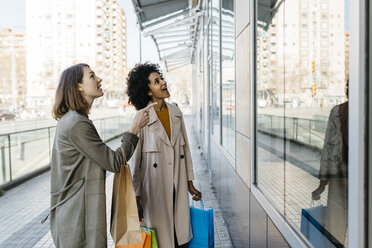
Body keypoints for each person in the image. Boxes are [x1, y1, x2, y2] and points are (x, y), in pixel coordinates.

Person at [42, 63, 156, 247]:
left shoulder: (74, 120)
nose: (99, 79)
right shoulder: (76, 124)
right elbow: (114, 162)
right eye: (92, 76)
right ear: (78, 86)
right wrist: (134, 128)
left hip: (74, 216)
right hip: (77, 221)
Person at [126, 62, 202, 248]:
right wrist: (136, 198)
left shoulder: (176, 113)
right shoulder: (142, 117)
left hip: (178, 183)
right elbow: (136, 163)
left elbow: (186, 151)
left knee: (180, 237)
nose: (163, 83)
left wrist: (190, 183)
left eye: (161, 79)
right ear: (148, 91)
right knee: (160, 241)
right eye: (156, 81)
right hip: (154, 189)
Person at [312, 80, 349, 246]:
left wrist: (322, 183)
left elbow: (328, 149)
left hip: (339, 177)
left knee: (336, 228)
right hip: (361, 179)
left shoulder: (338, 111)